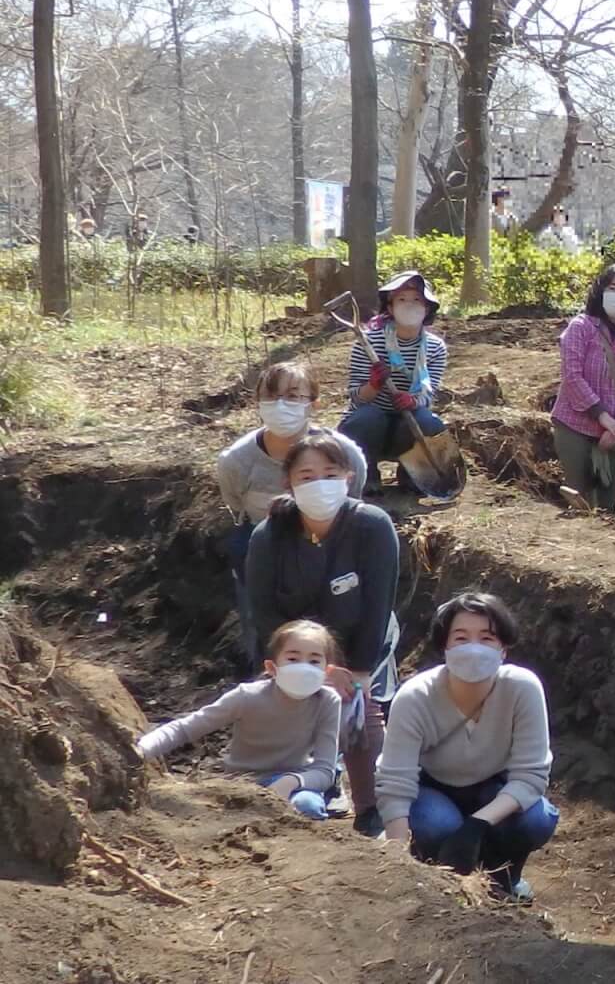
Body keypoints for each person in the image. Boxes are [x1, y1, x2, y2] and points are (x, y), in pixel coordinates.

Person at [244, 435, 401, 834]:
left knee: (362, 712)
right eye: (307, 475)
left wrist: (359, 671)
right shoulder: (268, 536)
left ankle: (374, 807)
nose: (319, 484)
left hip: (362, 641)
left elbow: (378, 606)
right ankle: (298, 788)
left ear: (349, 477)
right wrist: (308, 665)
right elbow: (264, 612)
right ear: (289, 483)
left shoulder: (372, 526)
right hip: (294, 648)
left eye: (330, 474)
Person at [376, 592, 558, 903]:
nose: (474, 648)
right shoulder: (414, 696)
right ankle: (440, 875)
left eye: (486, 638)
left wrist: (476, 824)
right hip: (434, 789)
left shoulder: (523, 688)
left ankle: (504, 877)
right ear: (444, 646)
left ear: (503, 649)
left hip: (493, 789)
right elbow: (395, 783)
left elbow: (531, 777)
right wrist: (397, 860)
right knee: (434, 826)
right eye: (461, 638)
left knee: (534, 820)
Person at [216, 361, 368, 661]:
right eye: (271, 397)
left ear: (314, 402)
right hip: (266, 546)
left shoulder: (346, 454)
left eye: (293, 396)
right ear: (257, 403)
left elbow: (354, 499)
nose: (281, 405)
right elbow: (236, 505)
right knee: (264, 625)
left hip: (332, 544)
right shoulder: (236, 461)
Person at [135, 619, 344, 821]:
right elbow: (186, 728)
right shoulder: (247, 697)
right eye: (293, 659)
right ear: (272, 668)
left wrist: (291, 781)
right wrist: (142, 749)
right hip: (241, 784)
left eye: (314, 661)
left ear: (327, 672)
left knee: (308, 806)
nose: (304, 668)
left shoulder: (327, 701)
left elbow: (324, 771)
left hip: (294, 784)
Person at [339, 271, 451, 495]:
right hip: (370, 425)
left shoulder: (435, 348)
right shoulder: (369, 342)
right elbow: (355, 396)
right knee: (367, 418)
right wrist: (374, 386)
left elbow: (429, 393)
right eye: (401, 299)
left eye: (416, 300)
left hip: (407, 424)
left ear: (427, 308)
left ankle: (413, 475)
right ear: (390, 308)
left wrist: (413, 401)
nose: (409, 305)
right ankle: (367, 475)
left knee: (428, 421)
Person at [552, 265, 615, 515]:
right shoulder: (580, 327)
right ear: (600, 291)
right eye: (612, 288)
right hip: (574, 425)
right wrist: (602, 415)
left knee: (607, 503)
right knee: (578, 497)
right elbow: (572, 376)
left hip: (613, 433)